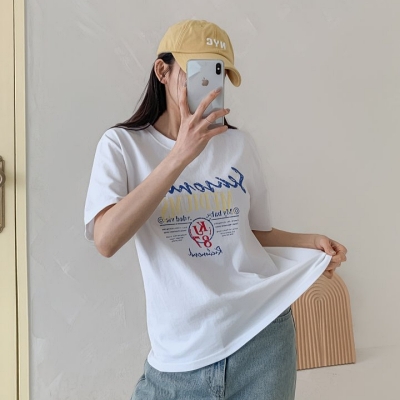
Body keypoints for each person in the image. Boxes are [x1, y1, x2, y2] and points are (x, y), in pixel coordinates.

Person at [84, 19, 347, 400]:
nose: (210, 85)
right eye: (198, 71)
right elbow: (106, 240)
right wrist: (179, 156)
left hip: (263, 340)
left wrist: (311, 242)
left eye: (219, 74)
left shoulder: (239, 146)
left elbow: (251, 234)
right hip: (179, 355)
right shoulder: (122, 146)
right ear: (162, 71)